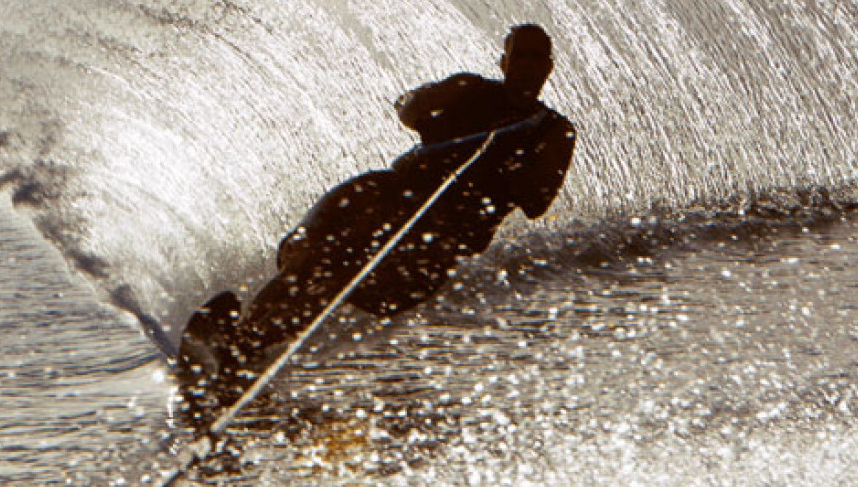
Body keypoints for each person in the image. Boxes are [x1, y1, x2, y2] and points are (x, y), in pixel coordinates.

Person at [177, 24, 577, 417]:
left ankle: (243, 353)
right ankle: (244, 346)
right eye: (518, 55)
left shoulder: (554, 131)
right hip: (387, 196)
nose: (526, 64)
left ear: (549, 67)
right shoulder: (470, 91)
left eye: (536, 56)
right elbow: (408, 110)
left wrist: (513, 155)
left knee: (333, 270)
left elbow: (537, 203)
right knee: (308, 254)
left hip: (434, 244)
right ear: (503, 61)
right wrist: (430, 95)